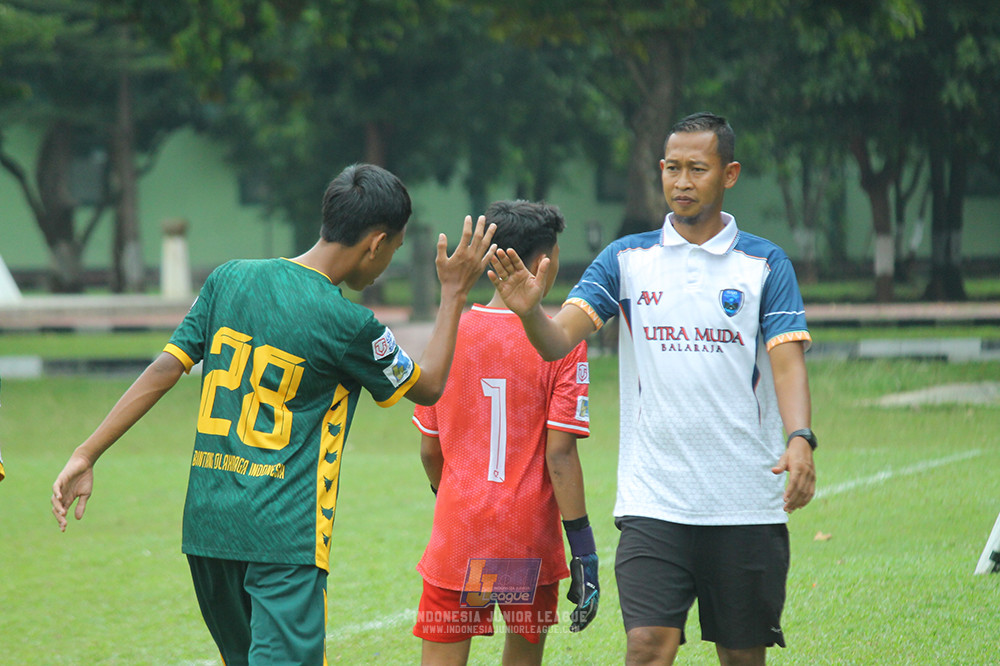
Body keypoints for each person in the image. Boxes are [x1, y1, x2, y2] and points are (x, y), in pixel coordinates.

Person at [51, 163, 497, 666]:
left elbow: (163, 371)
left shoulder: (228, 279)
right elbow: (430, 383)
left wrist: (86, 453)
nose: (387, 263)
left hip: (208, 529)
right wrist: (454, 292)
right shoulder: (350, 324)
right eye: (392, 251)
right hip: (285, 539)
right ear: (375, 243)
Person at [489, 112, 817, 666]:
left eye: (697, 168)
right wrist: (529, 313)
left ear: (729, 174)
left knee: (742, 656)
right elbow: (556, 339)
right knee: (646, 646)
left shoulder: (764, 263)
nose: (681, 181)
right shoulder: (626, 258)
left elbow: (786, 363)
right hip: (654, 500)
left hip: (743, 501)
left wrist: (800, 437)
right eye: (671, 168)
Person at [411, 200, 599, 666]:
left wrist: (453, 495)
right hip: (524, 541)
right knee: (522, 656)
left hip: (459, 536)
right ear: (542, 264)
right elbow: (560, 455)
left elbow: (429, 451)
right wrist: (584, 550)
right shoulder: (561, 344)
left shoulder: (448, 335)